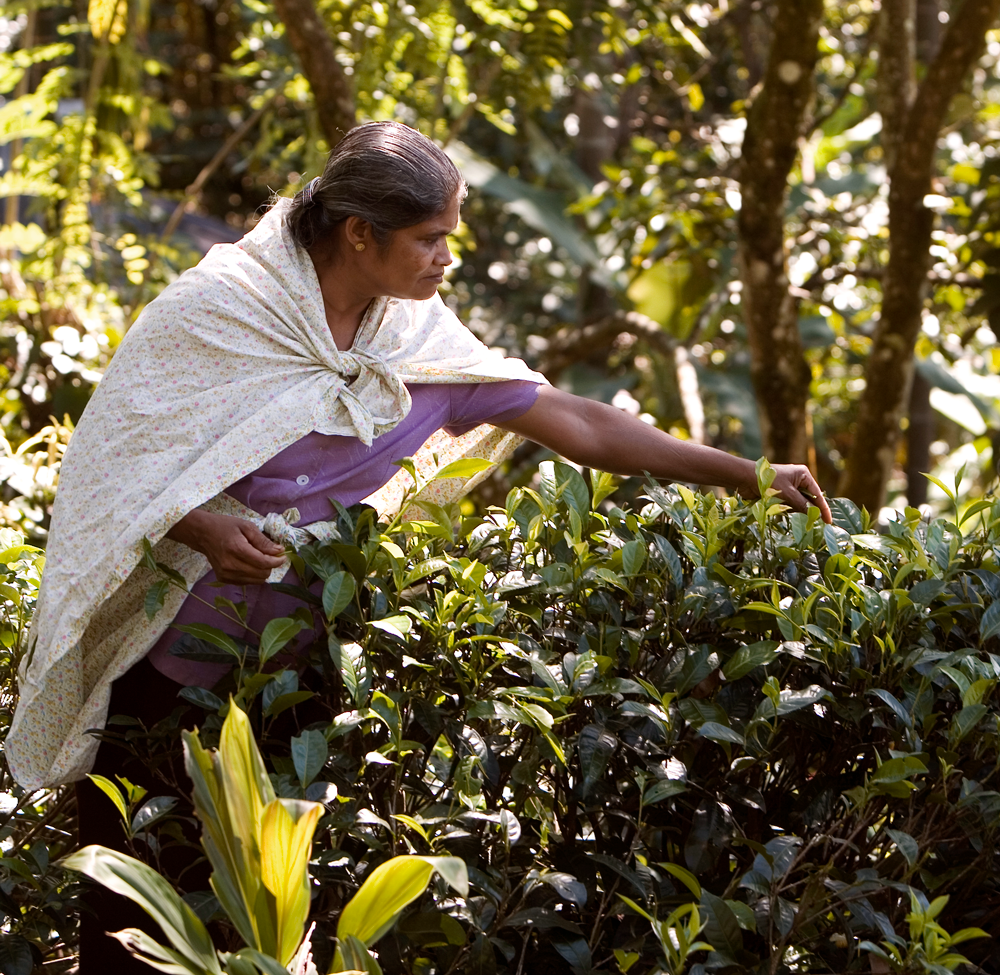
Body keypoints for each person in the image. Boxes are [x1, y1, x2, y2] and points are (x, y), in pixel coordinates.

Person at [7, 121, 829, 972]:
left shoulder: (414, 343)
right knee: (130, 936)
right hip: (172, 682)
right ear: (360, 234)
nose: (447, 259)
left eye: (451, 238)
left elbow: (575, 418)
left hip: (305, 694)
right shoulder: (220, 313)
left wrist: (743, 473)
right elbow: (115, 463)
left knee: (265, 939)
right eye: (430, 239)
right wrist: (203, 526)